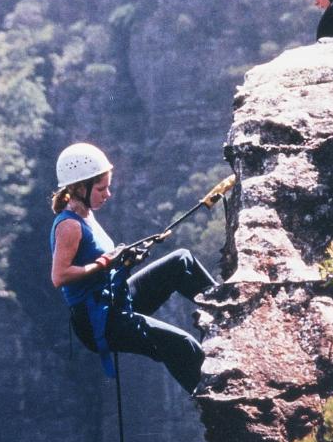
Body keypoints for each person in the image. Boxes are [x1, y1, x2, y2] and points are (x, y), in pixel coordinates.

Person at [50, 142, 216, 394]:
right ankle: (213, 404)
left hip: (115, 298)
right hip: (100, 321)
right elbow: (59, 277)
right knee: (183, 345)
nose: (107, 194)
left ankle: (225, 311)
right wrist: (104, 262)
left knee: (181, 261)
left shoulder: (86, 213)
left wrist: (125, 261)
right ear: (79, 188)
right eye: (101, 188)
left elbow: (98, 264)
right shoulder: (69, 226)